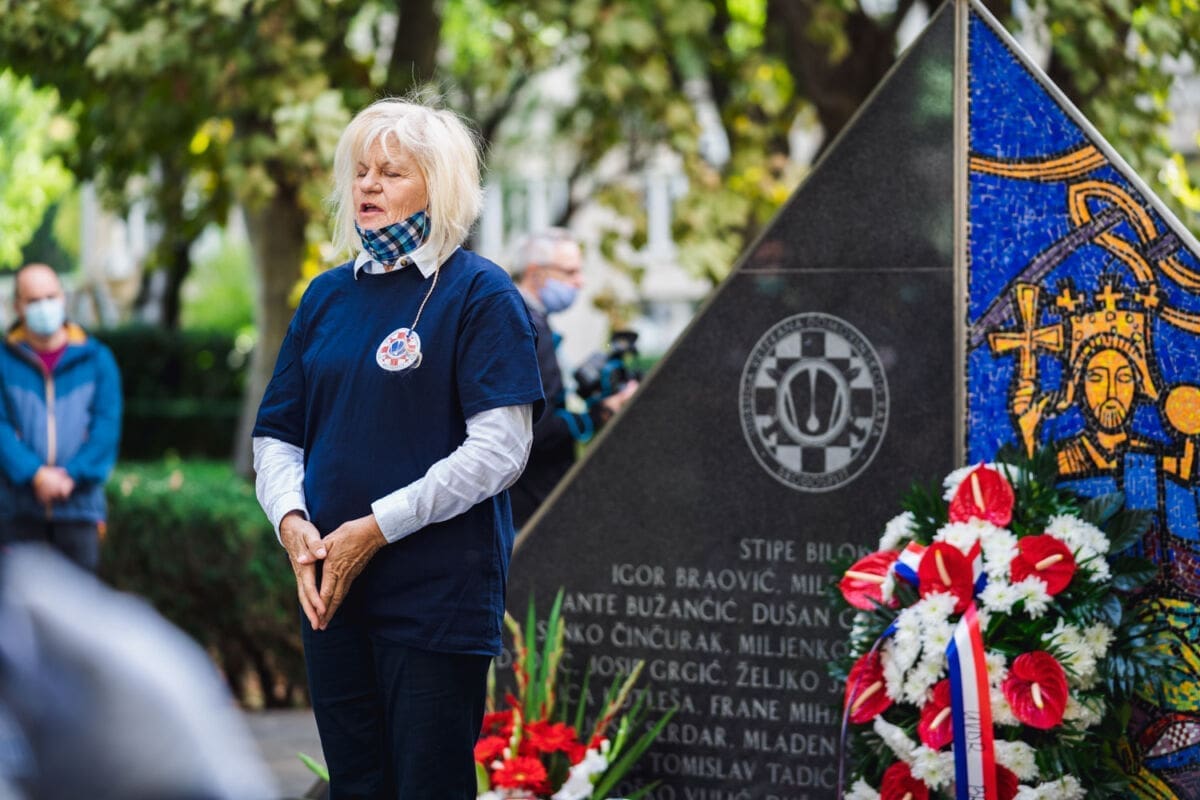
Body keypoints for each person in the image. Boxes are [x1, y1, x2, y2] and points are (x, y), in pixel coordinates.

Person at [252, 97, 544, 800]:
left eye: (391, 172)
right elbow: (277, 433)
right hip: (332, 594)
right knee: (356, 786)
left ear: (438, 186)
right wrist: (291, 520)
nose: (368, 185)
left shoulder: (479, 293)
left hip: (436, 599)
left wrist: (378, 527)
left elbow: (500, 450)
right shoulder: (325, 297)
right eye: (360, 171)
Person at [508, 229, 637, 529]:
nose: (581, 281)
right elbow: (535, 427)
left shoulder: (520, 317)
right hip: (529, 506)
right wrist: (598, 414)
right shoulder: (527, 327)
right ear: (536, 273)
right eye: (570, 272)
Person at [0, 263, 122, 572]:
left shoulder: (97, 359)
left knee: (78, 601)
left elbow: (106, 428)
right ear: (17, 306)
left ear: (63, 298)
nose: (44, 306)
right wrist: (35, 475)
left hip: (80, 511)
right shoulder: (4, 361)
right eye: (33, 300)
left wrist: (71, 475)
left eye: (50, 296)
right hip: (18, 512)